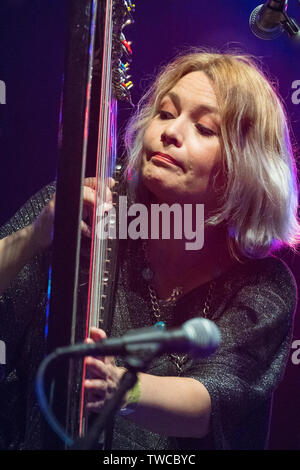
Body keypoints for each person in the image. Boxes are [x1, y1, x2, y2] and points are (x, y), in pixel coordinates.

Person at [0, 50, 299, 450]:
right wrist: (34, 236)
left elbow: (218, 397)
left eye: (205, 129)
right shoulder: (84, 209)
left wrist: (122, 390)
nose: (170, 131)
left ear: (247, 166)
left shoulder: (264, 284)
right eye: (165, 112)